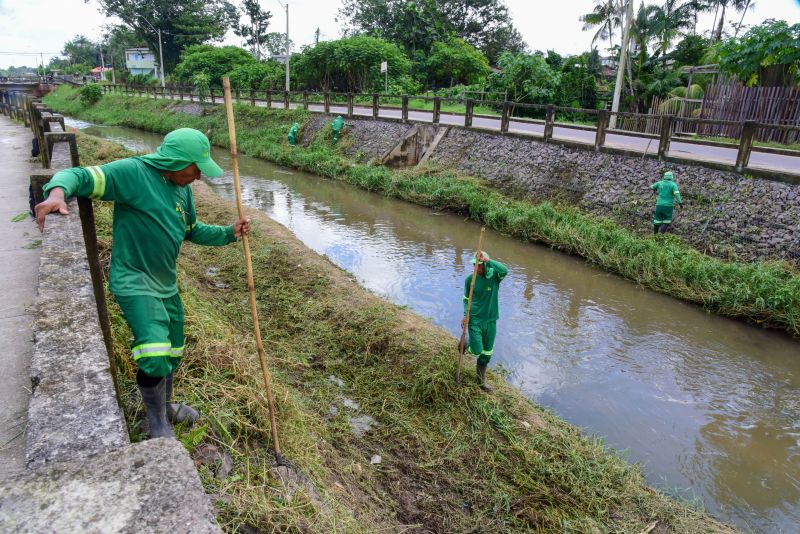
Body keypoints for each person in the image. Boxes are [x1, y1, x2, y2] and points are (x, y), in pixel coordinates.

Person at [35, 128, 250, 439]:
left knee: (173, 349)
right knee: (153, 351)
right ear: (177, 162)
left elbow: (191, 230)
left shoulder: (182, 189)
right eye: (196, 168)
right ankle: (155, 421)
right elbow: (77, 176)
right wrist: (55, 194)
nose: (199, 176)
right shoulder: (134, 173)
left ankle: (166, 406)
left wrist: (230, 232)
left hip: (165, 283)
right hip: (135, 280)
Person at [461, 251, 508, 391]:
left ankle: (480, 382)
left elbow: (505, 270)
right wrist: (466, 315)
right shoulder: (470, 280)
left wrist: (489, 260)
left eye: (480, 265)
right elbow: (466, 299)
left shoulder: (494, 276)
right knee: (477, 350)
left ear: (485, 265)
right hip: (474, 319)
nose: (477, 268)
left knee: (486, 354)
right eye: (475, 265)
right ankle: (465, 343)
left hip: (491, 321)